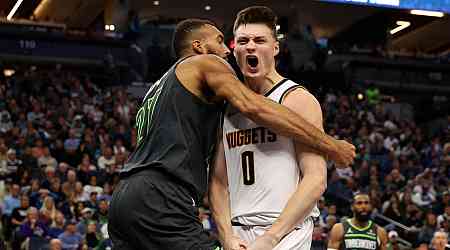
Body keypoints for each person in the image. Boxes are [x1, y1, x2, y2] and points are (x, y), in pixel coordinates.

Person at [108, 18, 355, 250]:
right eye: (218, 40)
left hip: (123, 198)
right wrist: (329, 144)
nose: (227, 50)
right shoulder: (203, 62)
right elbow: (254, 106)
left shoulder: (157, 88)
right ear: (198, 46)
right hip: (160, 195)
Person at [209, 6, 327, 250]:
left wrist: (271, 237)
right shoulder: (227, 106)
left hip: (285, 230)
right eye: (243, 41)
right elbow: (219, 182)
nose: (250, 46)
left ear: (275, 48)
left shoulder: (296, 98)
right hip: (238, 232)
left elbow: (316, 179)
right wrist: (227, 235)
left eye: (259, 40)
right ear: (235, 48)